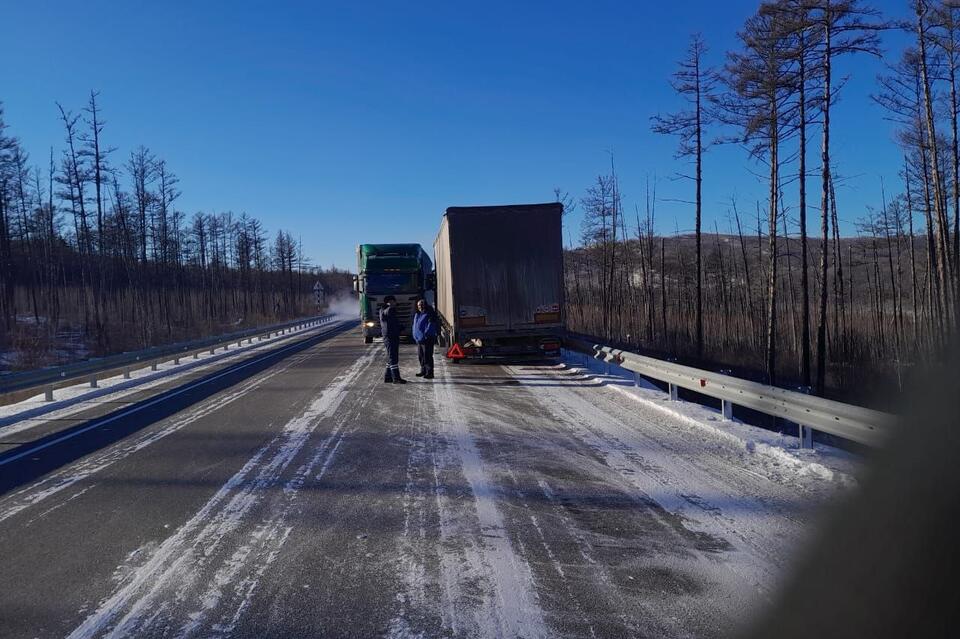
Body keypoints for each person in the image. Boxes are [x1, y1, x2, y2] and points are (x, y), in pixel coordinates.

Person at [379, 295, 405, 384]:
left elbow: (392, 323)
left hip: (390, 336)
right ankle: (396, 378)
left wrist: (399, 328)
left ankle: (388, 376)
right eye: (394, 301)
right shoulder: (387, 310)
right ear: (389, 302)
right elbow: (388, 312)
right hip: (390, 337)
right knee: (393, 357)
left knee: (390, 357)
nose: (395, 303)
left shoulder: (385, 311)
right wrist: (391, 307)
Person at [413, 298, 439, 379]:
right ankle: (423, 370)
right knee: (421, 356)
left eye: (421, 305)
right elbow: (414, 327)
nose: (420, 307)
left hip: (427, 339)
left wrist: (425, 335)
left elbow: (430, 326)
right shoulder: (417, 314)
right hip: (419, 340)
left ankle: (430, 372)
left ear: (425, 305)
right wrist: (415, 336)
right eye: (418, 305)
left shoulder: (430, 314)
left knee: (427, 356)